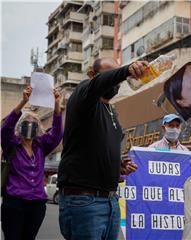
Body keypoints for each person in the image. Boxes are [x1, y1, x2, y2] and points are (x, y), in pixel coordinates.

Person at [57, 58, 148, 240]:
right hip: (84, 201)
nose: (115, 82)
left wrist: (118, 164)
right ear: (92, 75)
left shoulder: (111, 111)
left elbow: (96, 147)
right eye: (110, 74)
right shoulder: (82, 96)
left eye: (117, 78)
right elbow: (99, 83)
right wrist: (126, 70)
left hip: (111, 201)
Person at [1, 86, 63, 240]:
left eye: (34, 122)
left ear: (38, 128)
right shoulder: (11, 144)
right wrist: (23, 102)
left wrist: (56, 104)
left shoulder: (41, 146)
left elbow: (56, 134)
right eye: (26, 122)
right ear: (19, 126)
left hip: (37, 203)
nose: (30, 125)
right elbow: (6, 128)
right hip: (14, 202)